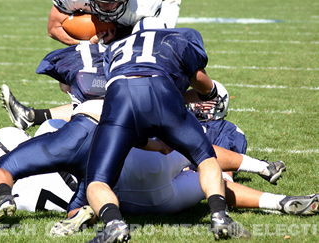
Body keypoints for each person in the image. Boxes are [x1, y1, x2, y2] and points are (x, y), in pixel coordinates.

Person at [0, 124, 317, 238]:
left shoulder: (22, 188)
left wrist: (3, 196)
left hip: (137, 203)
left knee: (193, 184)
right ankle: (269, 182)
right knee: (197, 156)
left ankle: (107, 221)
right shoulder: (55, 133)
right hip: (135, 165)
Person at [84, 27, 248, 241]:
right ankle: (219, 215)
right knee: (206, 159)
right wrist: (210, 92)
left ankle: (114, 224)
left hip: (121, 97)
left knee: (98, 180)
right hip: (160, 90)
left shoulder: (115, 46)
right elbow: (203, 84)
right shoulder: (178, 40)